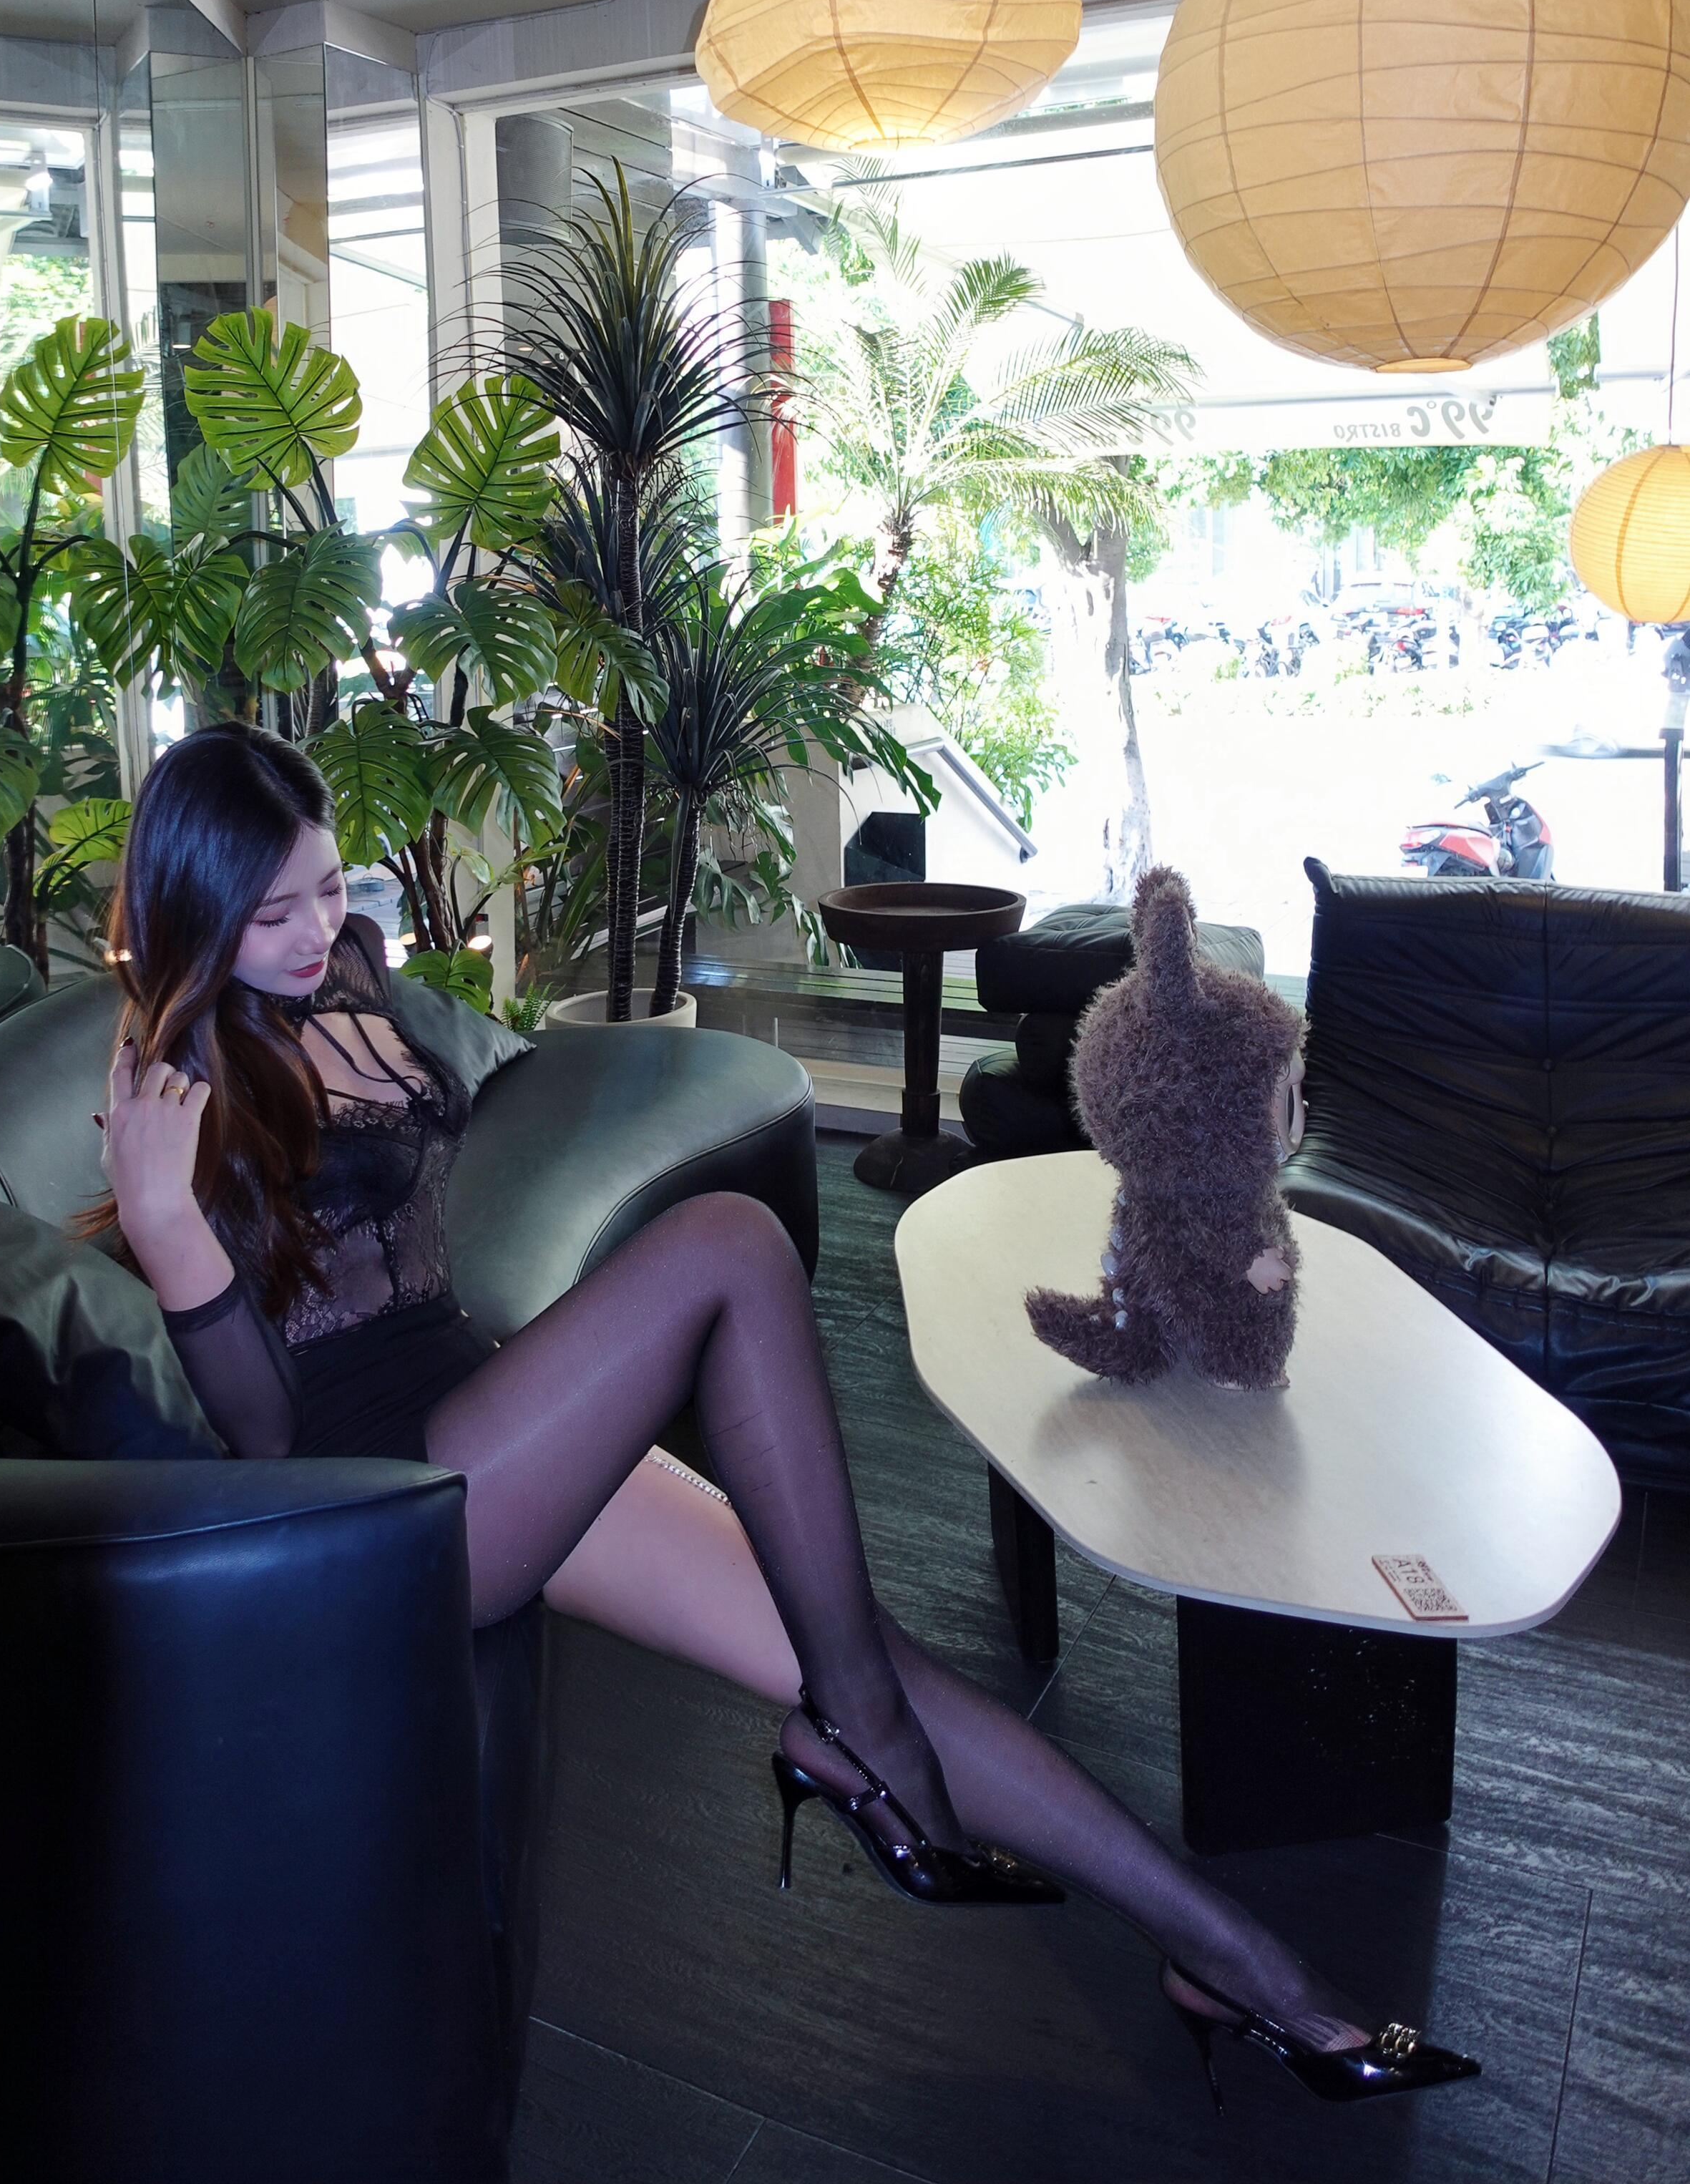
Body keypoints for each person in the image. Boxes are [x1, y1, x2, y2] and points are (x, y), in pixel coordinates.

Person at [89, 721, 1480, 2111]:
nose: (316, 929)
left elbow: (410, 1205)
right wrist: (165, 1224)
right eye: (272, 913)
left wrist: (517, 1361)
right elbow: (265, 1438)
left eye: (329, 886)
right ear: (197, 910)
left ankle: (1233, 1963)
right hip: (385, 1493)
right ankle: (858, 1734)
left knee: (857, 1642)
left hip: (481, 1400)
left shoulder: (342, 966)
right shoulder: (172, 1094)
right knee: (729, 1245)